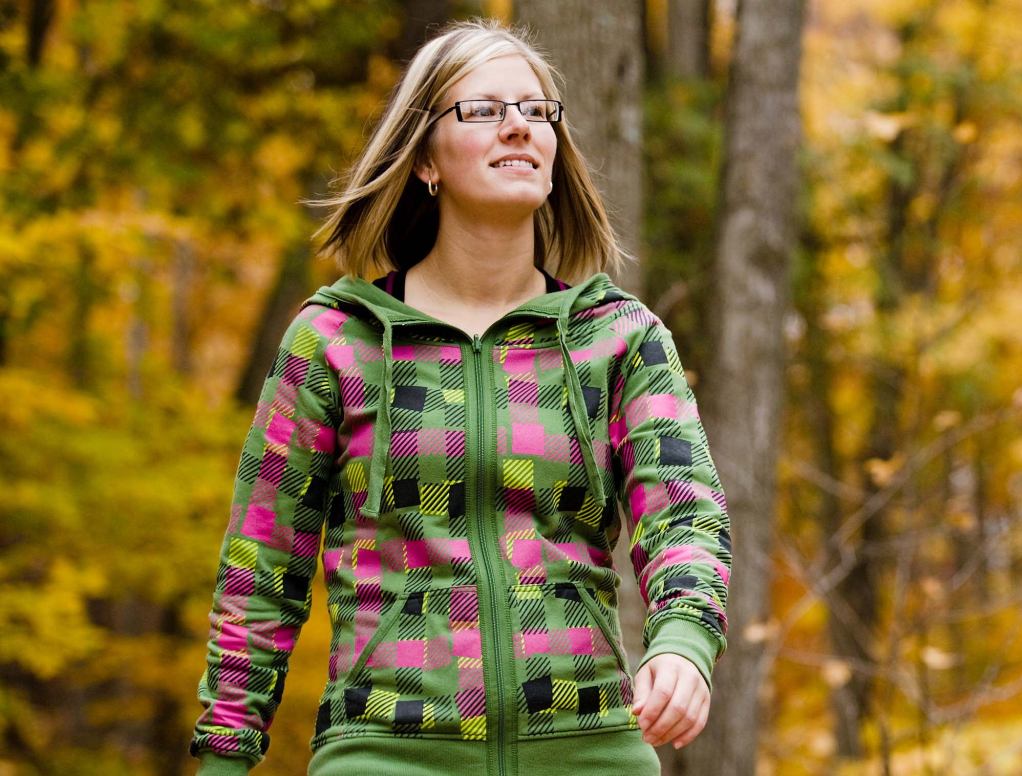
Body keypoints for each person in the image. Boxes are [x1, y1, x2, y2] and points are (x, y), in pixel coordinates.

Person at [189, 17, 730, 776]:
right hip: (384, 750)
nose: (518, 126)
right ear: (425, 161)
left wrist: (684, 641)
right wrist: (222, 757)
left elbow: (687, 514)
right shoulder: (337, 340)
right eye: (483, 110)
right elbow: (261, 570)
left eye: (537, 110)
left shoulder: (618, 337)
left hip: (589, 750)